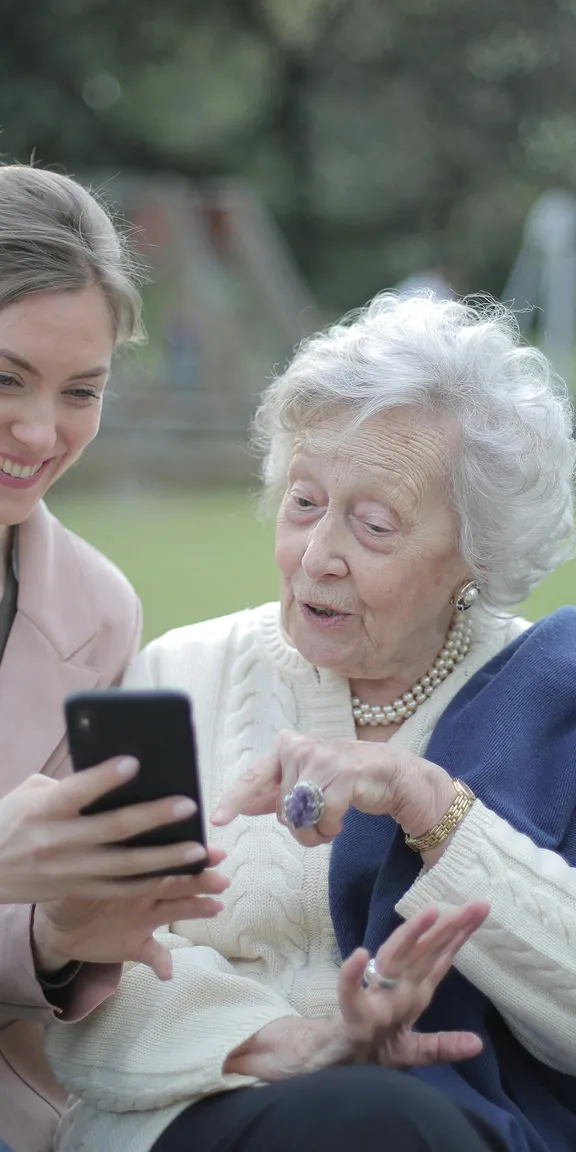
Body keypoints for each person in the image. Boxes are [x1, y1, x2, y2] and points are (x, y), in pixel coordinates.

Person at [46, 293, 576, 1152]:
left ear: (480, 551)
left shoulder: (552, 693)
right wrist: (291, 1043)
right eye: (303, 503)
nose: (316, 554)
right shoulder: (183, 674)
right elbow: (91, 963)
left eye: (372, 526)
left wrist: (431, 805)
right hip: (195, 1115)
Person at [0, 164, 228, 1152]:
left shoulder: (94, 611)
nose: (40, 432)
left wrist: (56, 938)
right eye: (4, 380)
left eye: (80, 392)